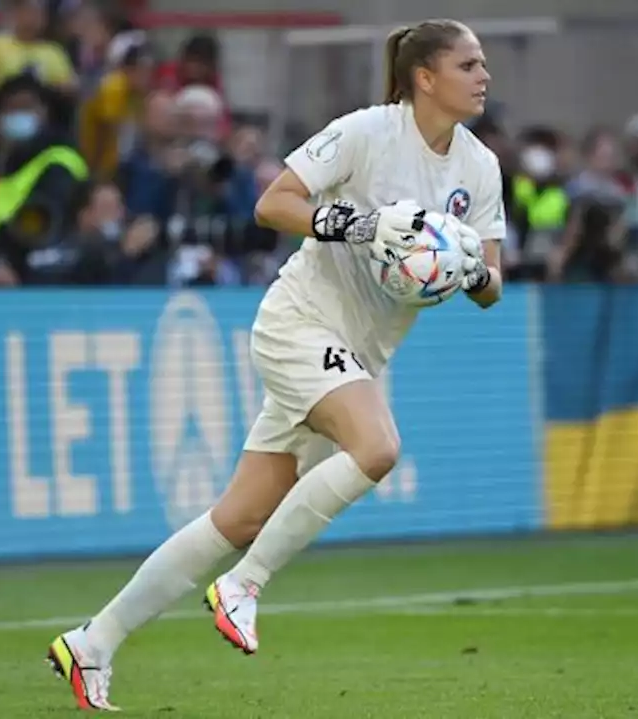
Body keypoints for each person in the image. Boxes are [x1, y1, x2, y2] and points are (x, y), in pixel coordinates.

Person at [45, 18, 505, 711]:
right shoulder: (367, 132)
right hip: (300, 323)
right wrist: (361, 225)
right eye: (469, 64)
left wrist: (467, 266)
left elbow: (493, 286)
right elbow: (273, 203)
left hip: (359, 352)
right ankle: (243, 585)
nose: (484, 76)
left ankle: (91, 643)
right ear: (425, 78)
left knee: (237, 517)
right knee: (377, 447)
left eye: (482, 65)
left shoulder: (480, 167)